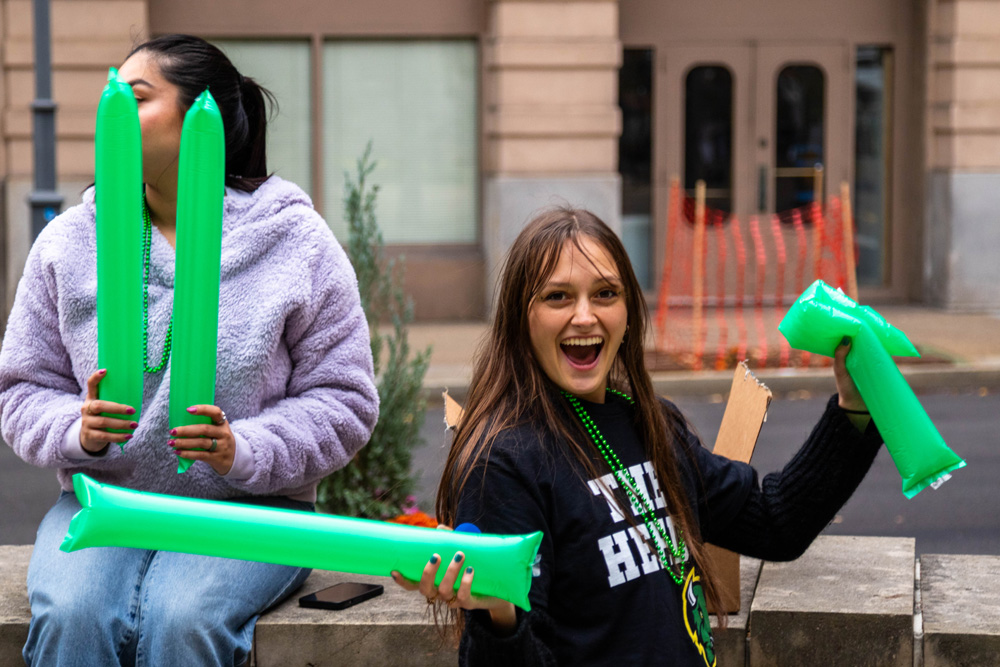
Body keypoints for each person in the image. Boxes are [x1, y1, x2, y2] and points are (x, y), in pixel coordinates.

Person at [0, 34, 379, 666]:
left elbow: (345, 399)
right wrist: (76, 429)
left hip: (249, 513)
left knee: (183, 620)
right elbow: (20, 389)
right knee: (74, 616)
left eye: (137, 95)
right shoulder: (68, 243)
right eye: (110, 94)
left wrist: (245, 449)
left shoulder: (295, 242)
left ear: (202, 115)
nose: (113, 107)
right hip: (103, 505)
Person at [392, 209, 882, 666]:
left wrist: (854, 409)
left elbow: (775, 522)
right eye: (557, 296)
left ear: (628, 314)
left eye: (605, 293)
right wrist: (499, 617)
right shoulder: (503, 462)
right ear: (522, 319)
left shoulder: (651, 424)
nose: (585, 316)